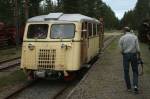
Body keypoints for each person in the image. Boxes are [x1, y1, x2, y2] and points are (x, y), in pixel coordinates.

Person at [119, 27, 141, 94]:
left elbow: (120, 50)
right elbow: (138, 49)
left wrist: (124, 54)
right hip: (134, 55)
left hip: (126, 55)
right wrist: (139, 57)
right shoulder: (135, 37)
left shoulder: (122, 38)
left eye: (123, 30)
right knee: (135, 71)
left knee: (126, 71)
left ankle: (128, 88)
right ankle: (135, 86)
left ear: (125, 31)